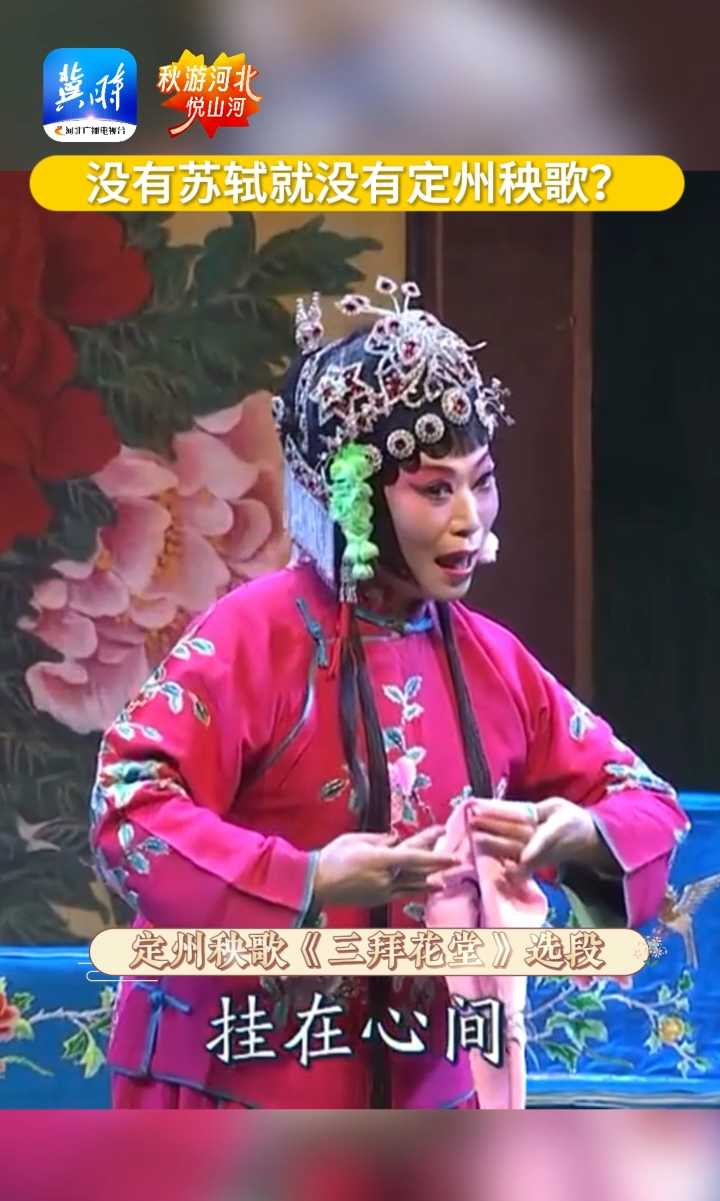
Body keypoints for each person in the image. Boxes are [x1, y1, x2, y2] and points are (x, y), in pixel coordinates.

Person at [90, 276, 688, 1109]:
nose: (471, 518)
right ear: (355, 499)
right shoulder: (254, 638)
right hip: (243, 1086)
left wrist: (581, 831)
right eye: (435, 489)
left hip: (426, 1088)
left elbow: (646, 804)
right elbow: (128, 806)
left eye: (481, 480)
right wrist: (307, 878)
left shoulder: (491, 661)